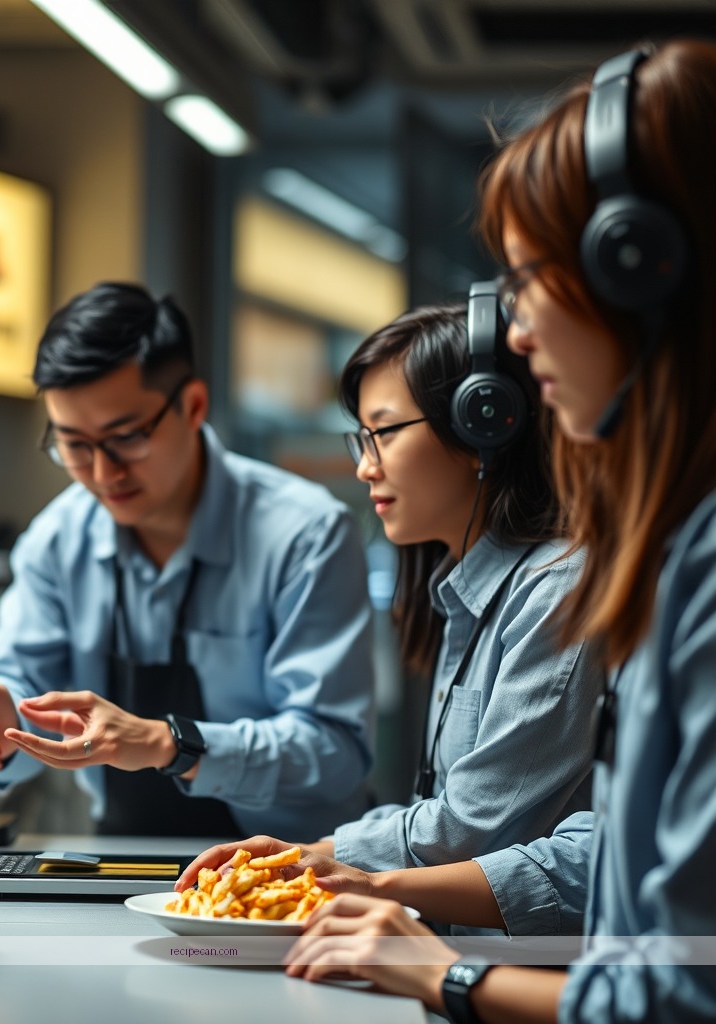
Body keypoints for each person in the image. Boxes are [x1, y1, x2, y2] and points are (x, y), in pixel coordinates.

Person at [278, 39, 716, 1024]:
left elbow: (674, 994)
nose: (517, 338)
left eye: (533, 280)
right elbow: (613, 849)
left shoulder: (683, 576)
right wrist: (380, 886)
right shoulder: (675, 556)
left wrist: (443, 974)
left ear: (638, 268)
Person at [177, 300, 602, 906]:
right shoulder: (466, 591)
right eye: (362, 438)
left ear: (483, 424)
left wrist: (318, 859)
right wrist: (313, 856)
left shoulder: (559, 592)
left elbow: (466, 827)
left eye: (383, 433)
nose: (363, 465)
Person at [0, 281, 376, 840]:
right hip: (124, 866)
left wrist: (170, 745)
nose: (102, 473)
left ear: (193, 406)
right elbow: (15, 688)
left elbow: (335, 752)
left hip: (290, 871)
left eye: (126, 437)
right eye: (73, 444)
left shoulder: (304, 533)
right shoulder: (56, 540)